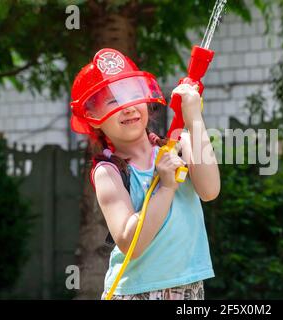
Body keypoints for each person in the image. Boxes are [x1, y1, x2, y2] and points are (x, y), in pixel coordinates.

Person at [69, 48, 220, 300]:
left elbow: (210, 190)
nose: (127, 107)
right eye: (113, 101)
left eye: (132, 96)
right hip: (139, 292)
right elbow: (131, 243)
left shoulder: (178, 144)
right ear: (93, 117)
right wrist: (167, 187)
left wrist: (194, 117)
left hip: (190, 286)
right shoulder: (109, 171)